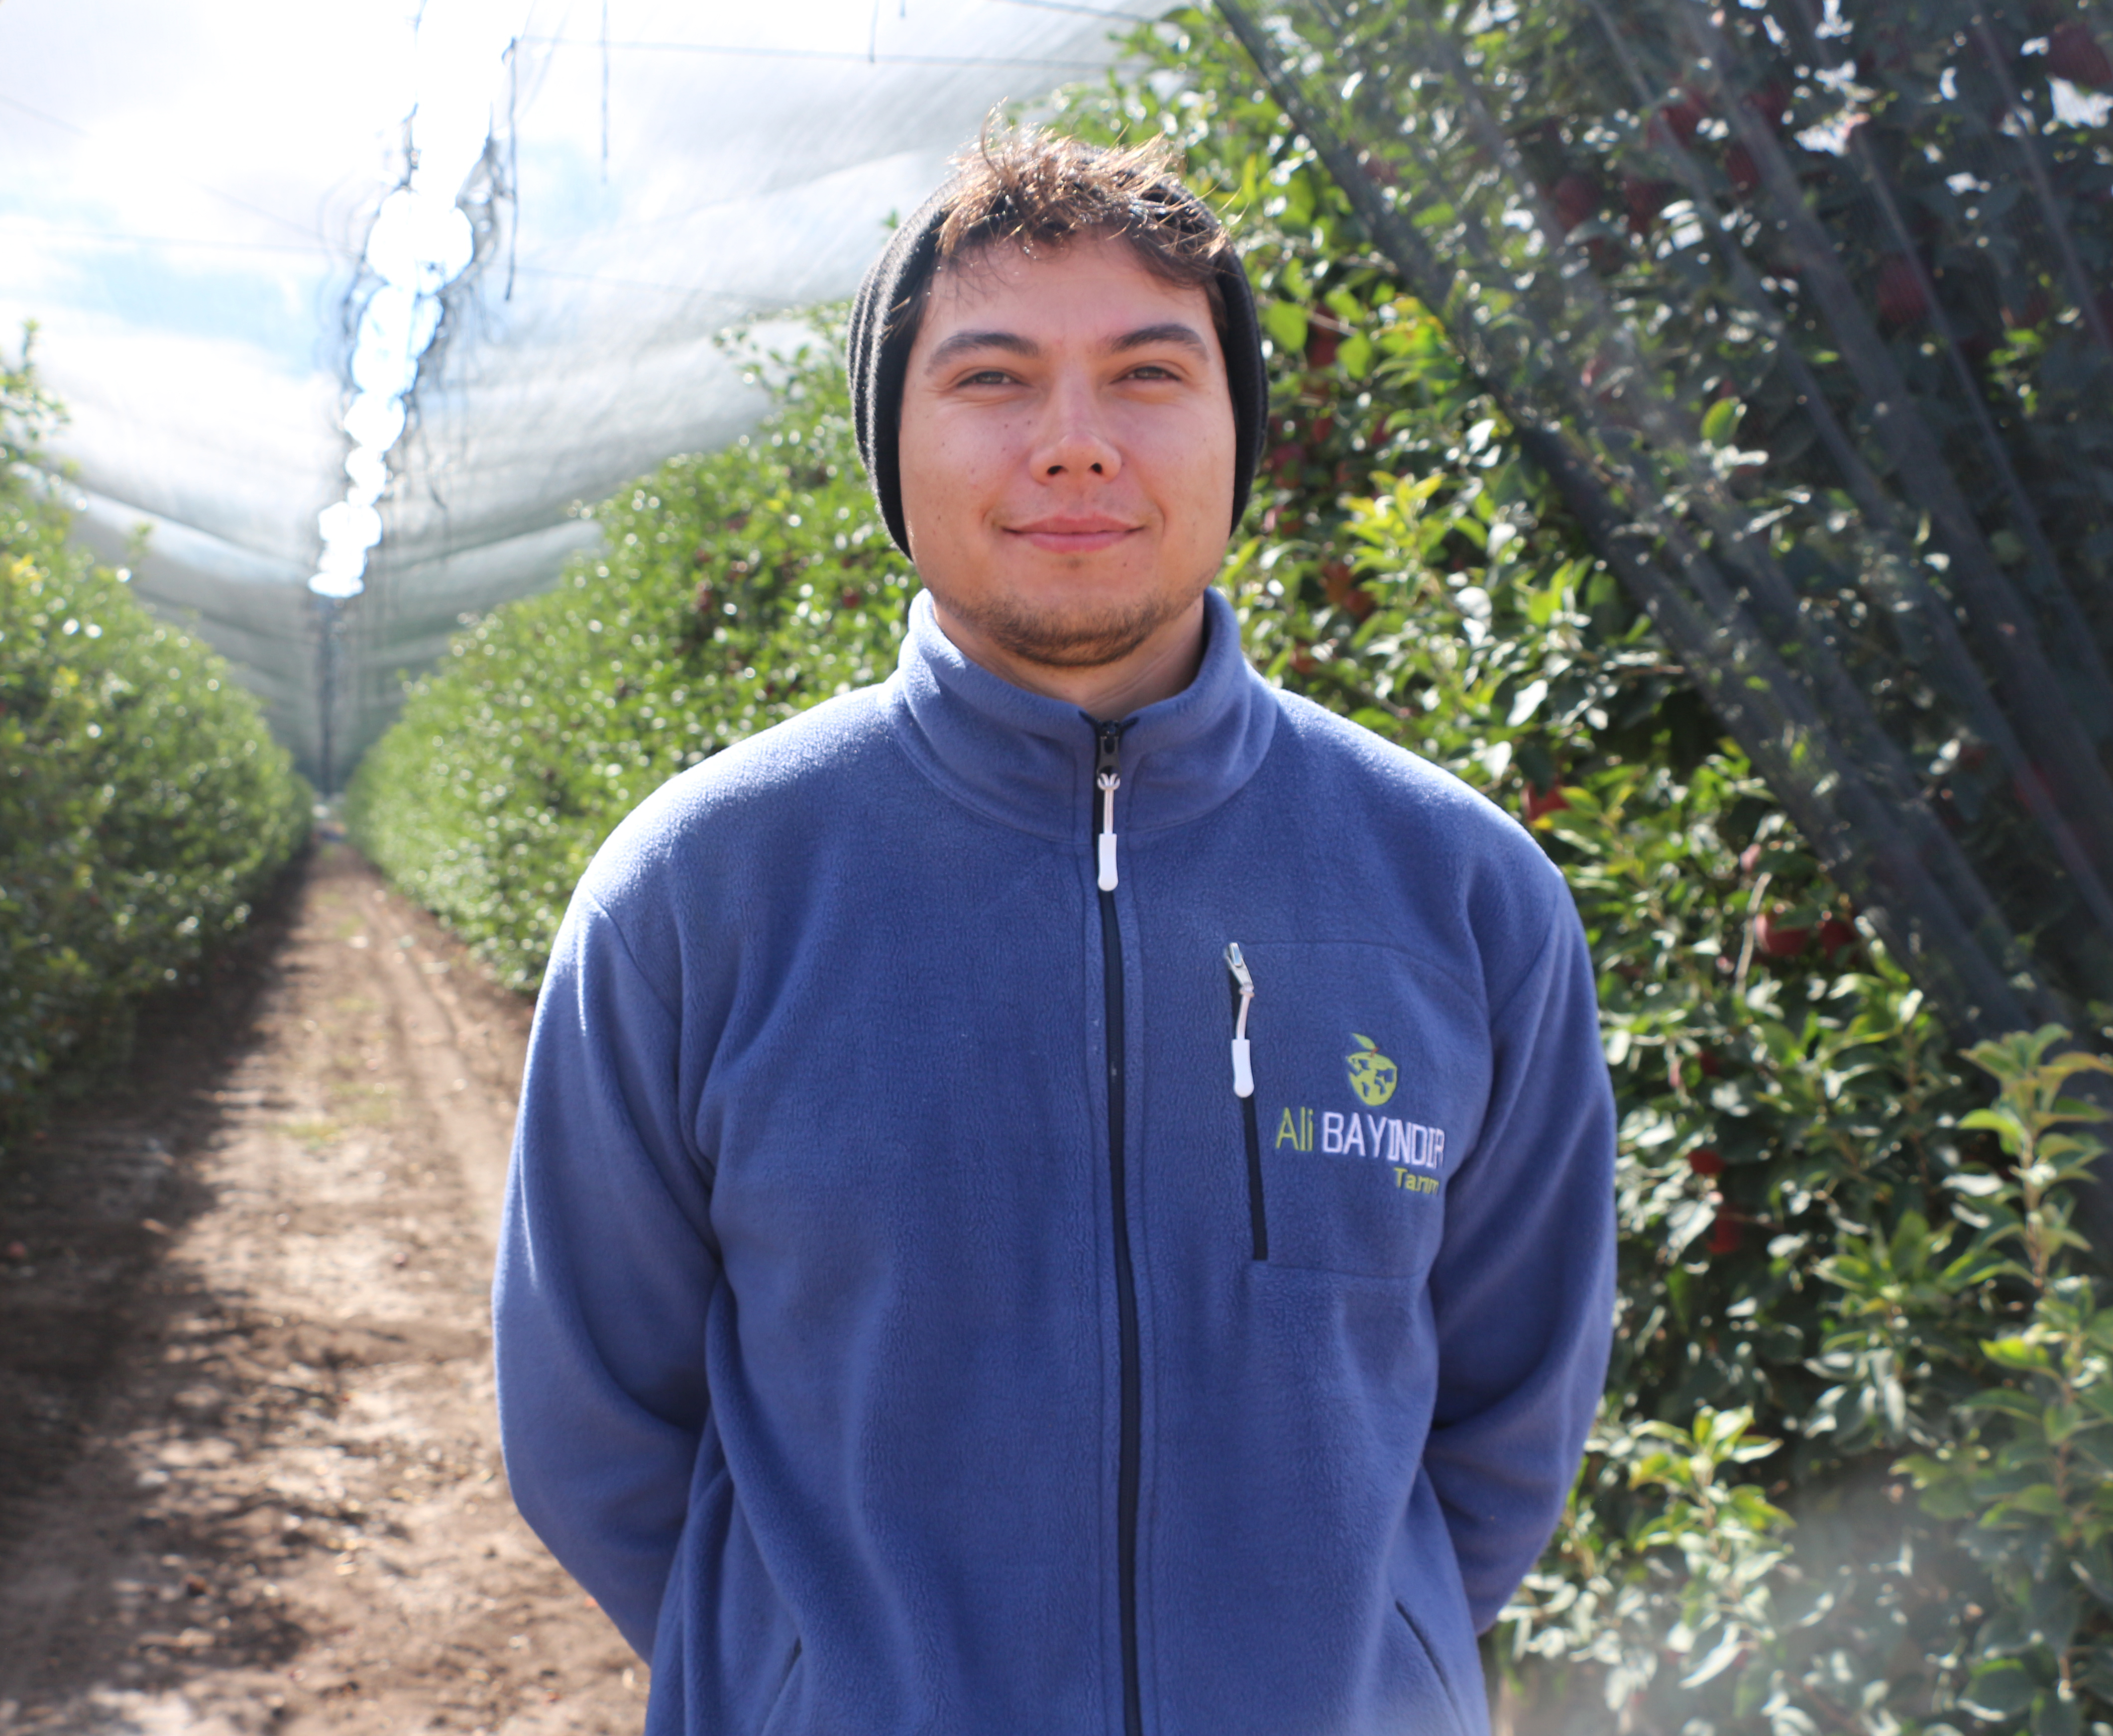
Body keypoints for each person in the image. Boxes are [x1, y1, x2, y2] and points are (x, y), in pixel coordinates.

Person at [495, 129, 1616, 1735]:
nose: (1077, 445)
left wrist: (1379, 1661)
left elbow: (1508, 1408)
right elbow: (596, 1426)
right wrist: (811, 1684)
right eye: (994, 379)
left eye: (1151, 375)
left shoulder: (1458, 894)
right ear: (891, 444)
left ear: (1240, 433)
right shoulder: (702, 893)